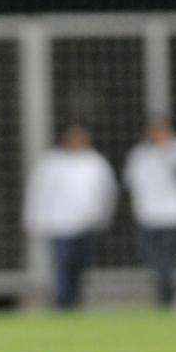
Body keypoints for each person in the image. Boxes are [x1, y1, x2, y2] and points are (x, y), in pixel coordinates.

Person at [23, 124, 117, 310]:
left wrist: (104, 216)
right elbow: (37, 192)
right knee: (62, 265)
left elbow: (108, 192)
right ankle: (62, 302)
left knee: (80, 266)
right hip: (59, 225)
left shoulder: (95, 162)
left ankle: (75, 301)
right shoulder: (51, 163)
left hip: (86, 224)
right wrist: (32, 218)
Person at [124, 117, 176, 308]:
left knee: (169, 259)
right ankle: (166, 295)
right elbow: (131, 181)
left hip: (173, 215)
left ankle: (171, 297)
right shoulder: (140, 154)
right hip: (148, 215)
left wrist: (169, 148)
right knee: (151, 259)